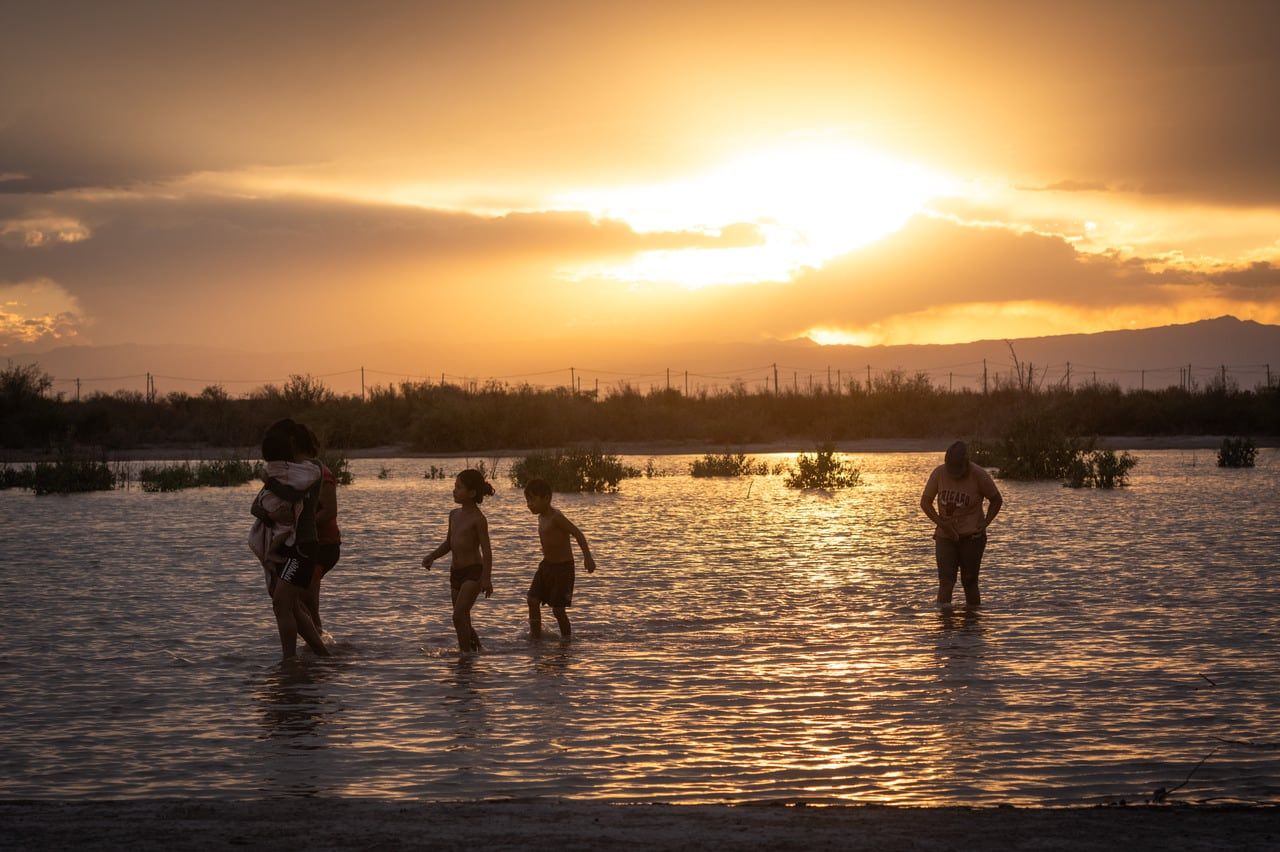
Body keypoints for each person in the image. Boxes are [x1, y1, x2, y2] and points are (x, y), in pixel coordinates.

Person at [252, 419, 330, 660]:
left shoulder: (311, 470)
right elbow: (256, 506)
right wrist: (270, 513)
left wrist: (269, 480)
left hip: (303, 548)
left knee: (281, 603)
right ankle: (323, 656)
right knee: (292, 607)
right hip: (287, 548)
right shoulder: (284, 471)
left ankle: (289, 662)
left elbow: (291, 493)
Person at [919, 440, 1003, 609]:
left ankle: (972, 625)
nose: (954, 474)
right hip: (945, 537)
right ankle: (944, 625)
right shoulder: (939, 473)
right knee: (945, 582)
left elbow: (996, 500)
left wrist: (985, 523)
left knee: (970, 581)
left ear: (966, 463)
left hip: (972, 537)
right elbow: (925, 502)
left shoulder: (978, 474)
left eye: (958, 469)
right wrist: (942, 524)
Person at [422, 469, 494, 652]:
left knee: (458, 616)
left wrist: (486, 578)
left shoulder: (478, 519)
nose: (454, 491)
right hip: (456, 573)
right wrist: (432, 556)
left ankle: (465, 657)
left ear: (471, 493)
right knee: (464, 618)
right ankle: (477, 651)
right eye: (455, 486)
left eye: (459, 487)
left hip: (473, 572)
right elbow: (449, 543)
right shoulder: (453, 515)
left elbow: (486, 550)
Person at [523, 478, 596, 640]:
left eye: (532, 500)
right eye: (527, 500)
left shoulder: (556, 517)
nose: (529, 504)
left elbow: (578, 533)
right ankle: (535, 637)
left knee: (558, 610)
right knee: (532, 600)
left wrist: (587, 557)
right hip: (546, 566)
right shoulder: (541, 517)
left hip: (563, 569)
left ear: (547, 498)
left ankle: (566, 640)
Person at [291, 424, 341, 635]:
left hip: (323, 545)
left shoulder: (323, 475)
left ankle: (319, 649)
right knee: (296, 599)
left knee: (308, 600)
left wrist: (300, 526)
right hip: (304, 544)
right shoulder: (296, 474)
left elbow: (330, 511)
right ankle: (318, 646)